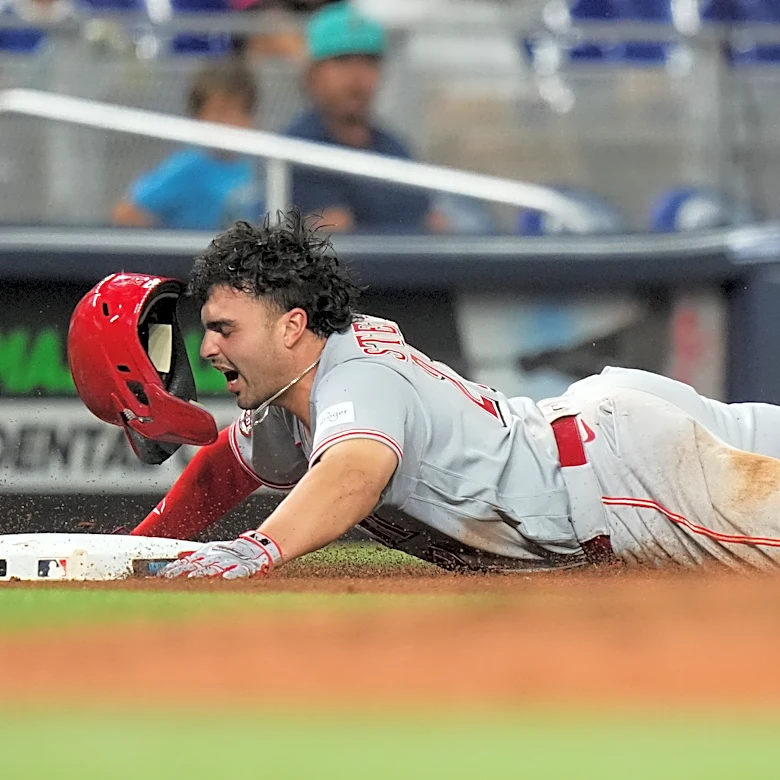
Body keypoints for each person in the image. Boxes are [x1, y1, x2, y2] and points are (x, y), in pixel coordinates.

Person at [66, 208, 780, 578]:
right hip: (608, 435)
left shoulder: (355, 377)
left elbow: (353, 473)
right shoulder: (296, 390)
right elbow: (228, 464)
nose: (210, 345)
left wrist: (255, 551)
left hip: (626, 481)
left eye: (223, 327)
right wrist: (139, 553)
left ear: (291, 325)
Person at [284, 1, 444, 233]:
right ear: (311, 74)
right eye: (342, 60)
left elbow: (428, 225)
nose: (357, 77)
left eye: (369, 61)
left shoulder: (393, 147)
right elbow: (332, 235)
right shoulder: (295, 150)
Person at [111, 59, 263, 231]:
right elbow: (126, 214)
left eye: (242, 111)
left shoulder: (260, 165)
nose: (232, 122)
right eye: (221, 111)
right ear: (198, 116)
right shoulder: (188, 167)